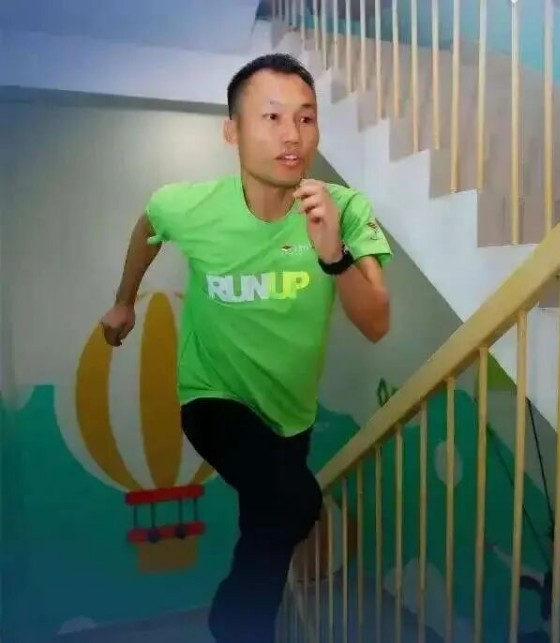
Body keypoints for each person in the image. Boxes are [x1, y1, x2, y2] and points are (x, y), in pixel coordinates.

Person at [100, 53, 392, 643]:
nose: (292, 135)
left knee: (269, 528)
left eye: (306, 118)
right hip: (213, 397)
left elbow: (377, 323)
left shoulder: (344, 209)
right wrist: (124, 301)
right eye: (272, 117)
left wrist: (332, 252)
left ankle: (240, 625)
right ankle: (237, 627)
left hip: (291, 416)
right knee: (296, 502)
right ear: (232, 131)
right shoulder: (186, 205)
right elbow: (148, 228)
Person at [490, 512, 560, 642]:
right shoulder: (551, 582)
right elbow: (520, 569)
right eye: (554, 554)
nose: (556, 563)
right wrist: (495, 549)